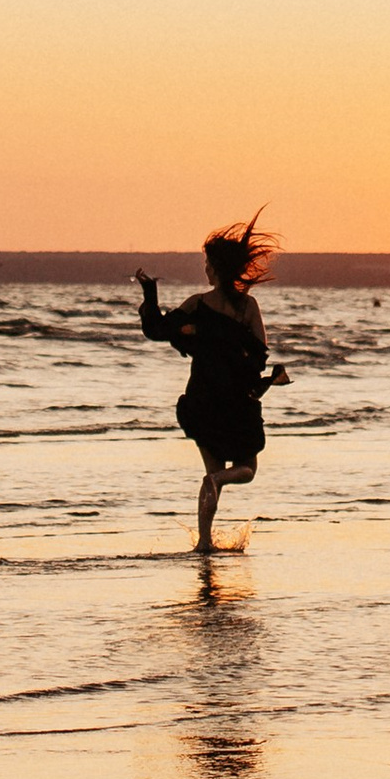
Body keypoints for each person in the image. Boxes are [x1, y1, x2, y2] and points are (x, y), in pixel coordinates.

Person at [133, 215, 290, 553]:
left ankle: (204, 542)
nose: (204, 269)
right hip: (236, 401)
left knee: (210, 472)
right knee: (246, 469)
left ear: (216, 269)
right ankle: (218, 482)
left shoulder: (197, 305)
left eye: (207, 263)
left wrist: (150, 294)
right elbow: (260, 354)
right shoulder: (247, 306)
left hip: (203, 400)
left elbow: (156, 330)